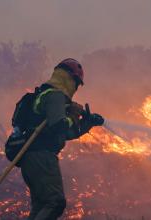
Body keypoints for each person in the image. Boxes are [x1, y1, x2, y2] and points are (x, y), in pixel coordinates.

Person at [20, 58, 104, 219]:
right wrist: (73, 115)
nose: (76, 88)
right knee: (55, 202)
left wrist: (87, 124)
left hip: (32, 157)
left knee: (41, 205)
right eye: (77, 83)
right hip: (42, 156)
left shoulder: (48, 95)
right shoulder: (55, 95)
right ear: (70, 79)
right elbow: (59, 126)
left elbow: (65, 133)